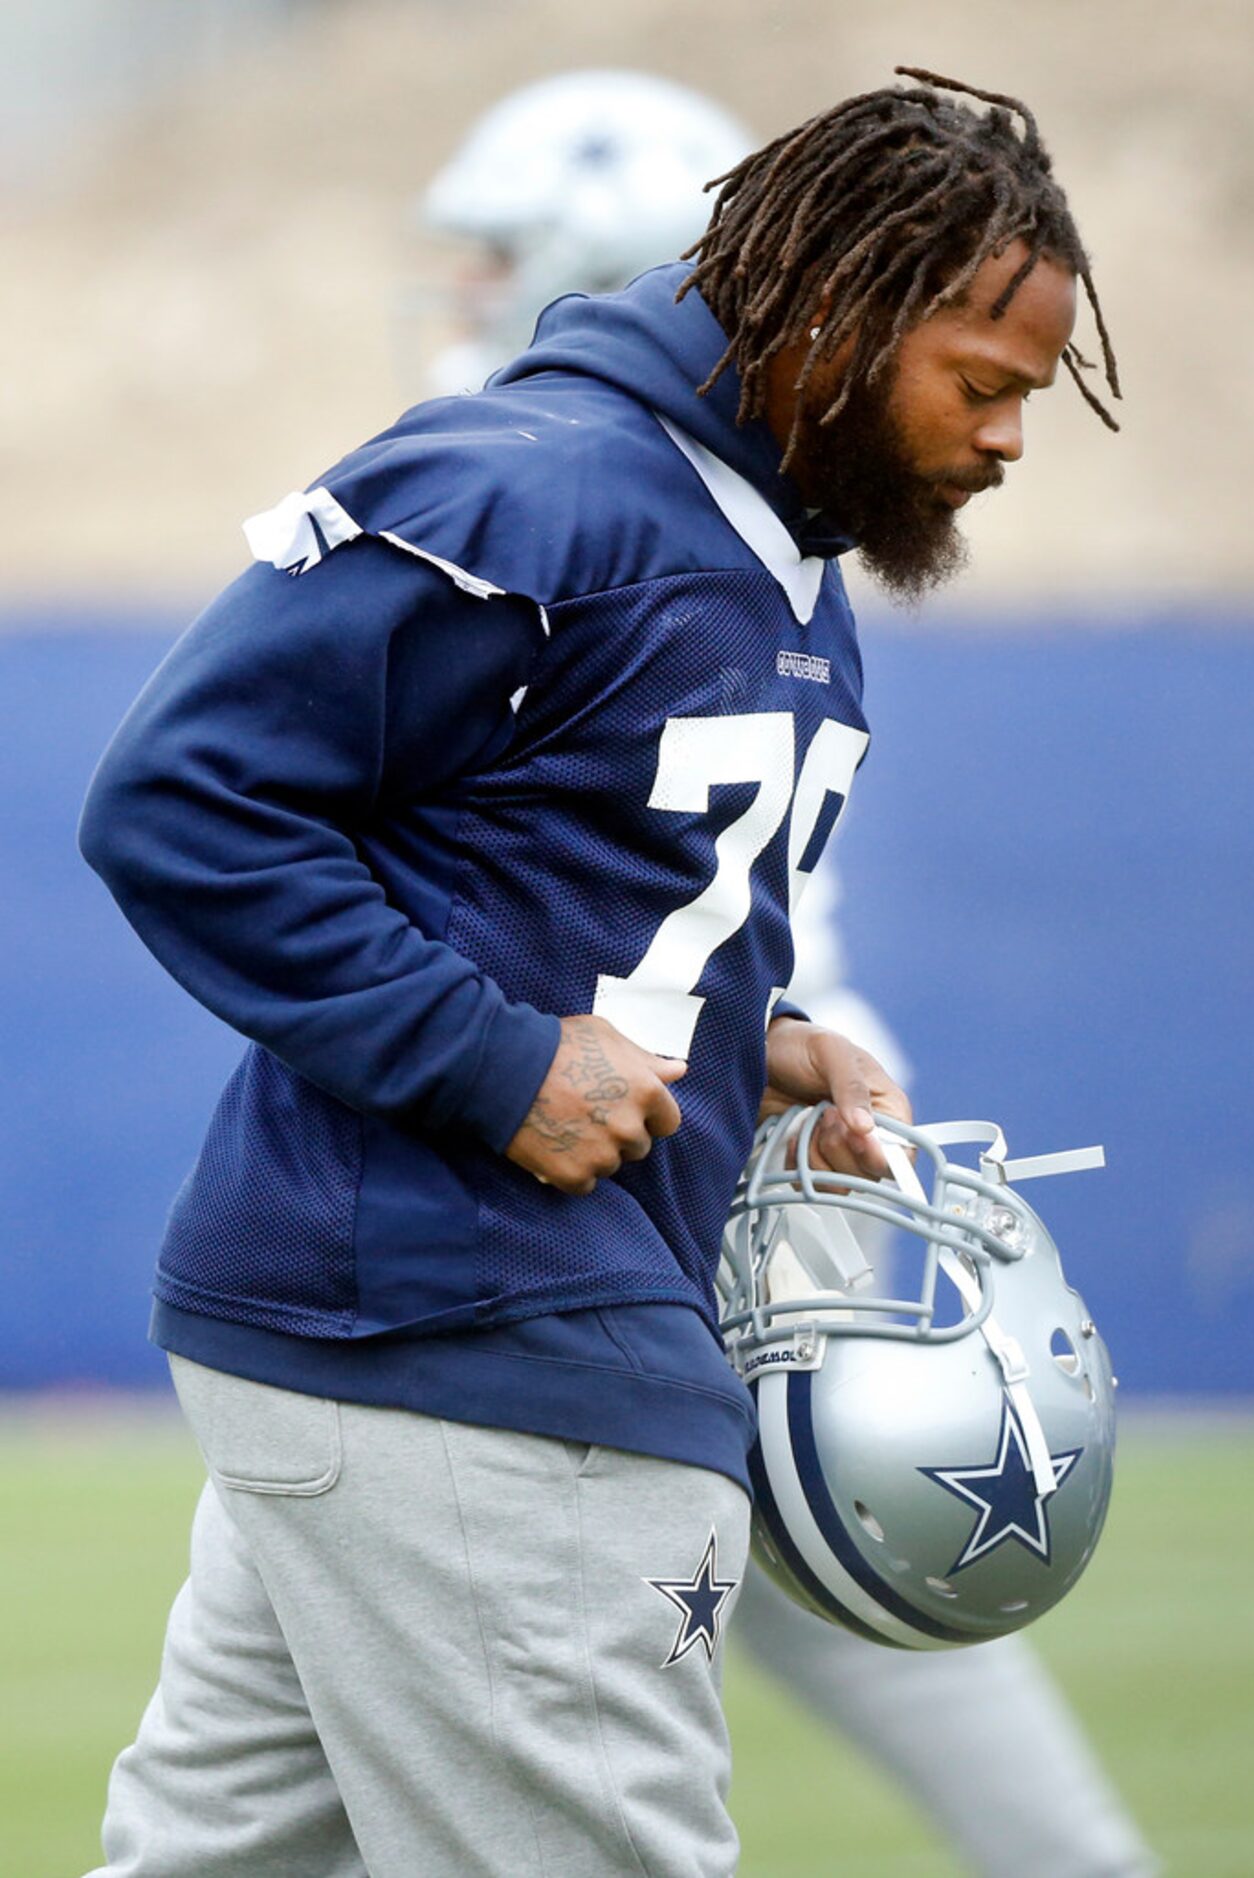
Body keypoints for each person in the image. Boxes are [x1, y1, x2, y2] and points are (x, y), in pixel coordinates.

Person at [80, 68, 1124, 1878]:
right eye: (986, 383)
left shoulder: (779, 552)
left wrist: (760, 1036)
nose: (1009, 439)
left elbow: (574, 881)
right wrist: (493, 1063)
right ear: (840, 319)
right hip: (473, 1325)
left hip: (459, 1330)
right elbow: (182, 800)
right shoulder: (528, 483)